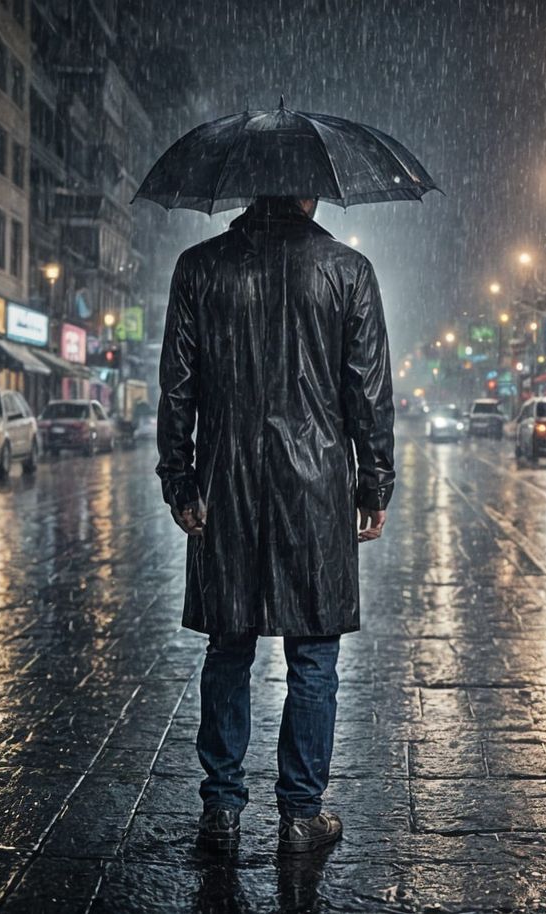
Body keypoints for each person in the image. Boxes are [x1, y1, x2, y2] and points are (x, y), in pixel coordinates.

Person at [157, 195, 394, 856]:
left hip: (223, 483)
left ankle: (222, 808)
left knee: (229, 646)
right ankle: (300, 813)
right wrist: (373, 482)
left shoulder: (198, 267)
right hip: (315, 489)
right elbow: (367, 390)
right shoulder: (347, 270)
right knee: (313, 651)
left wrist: (179, 479)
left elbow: (176, 386)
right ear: (313, 193)